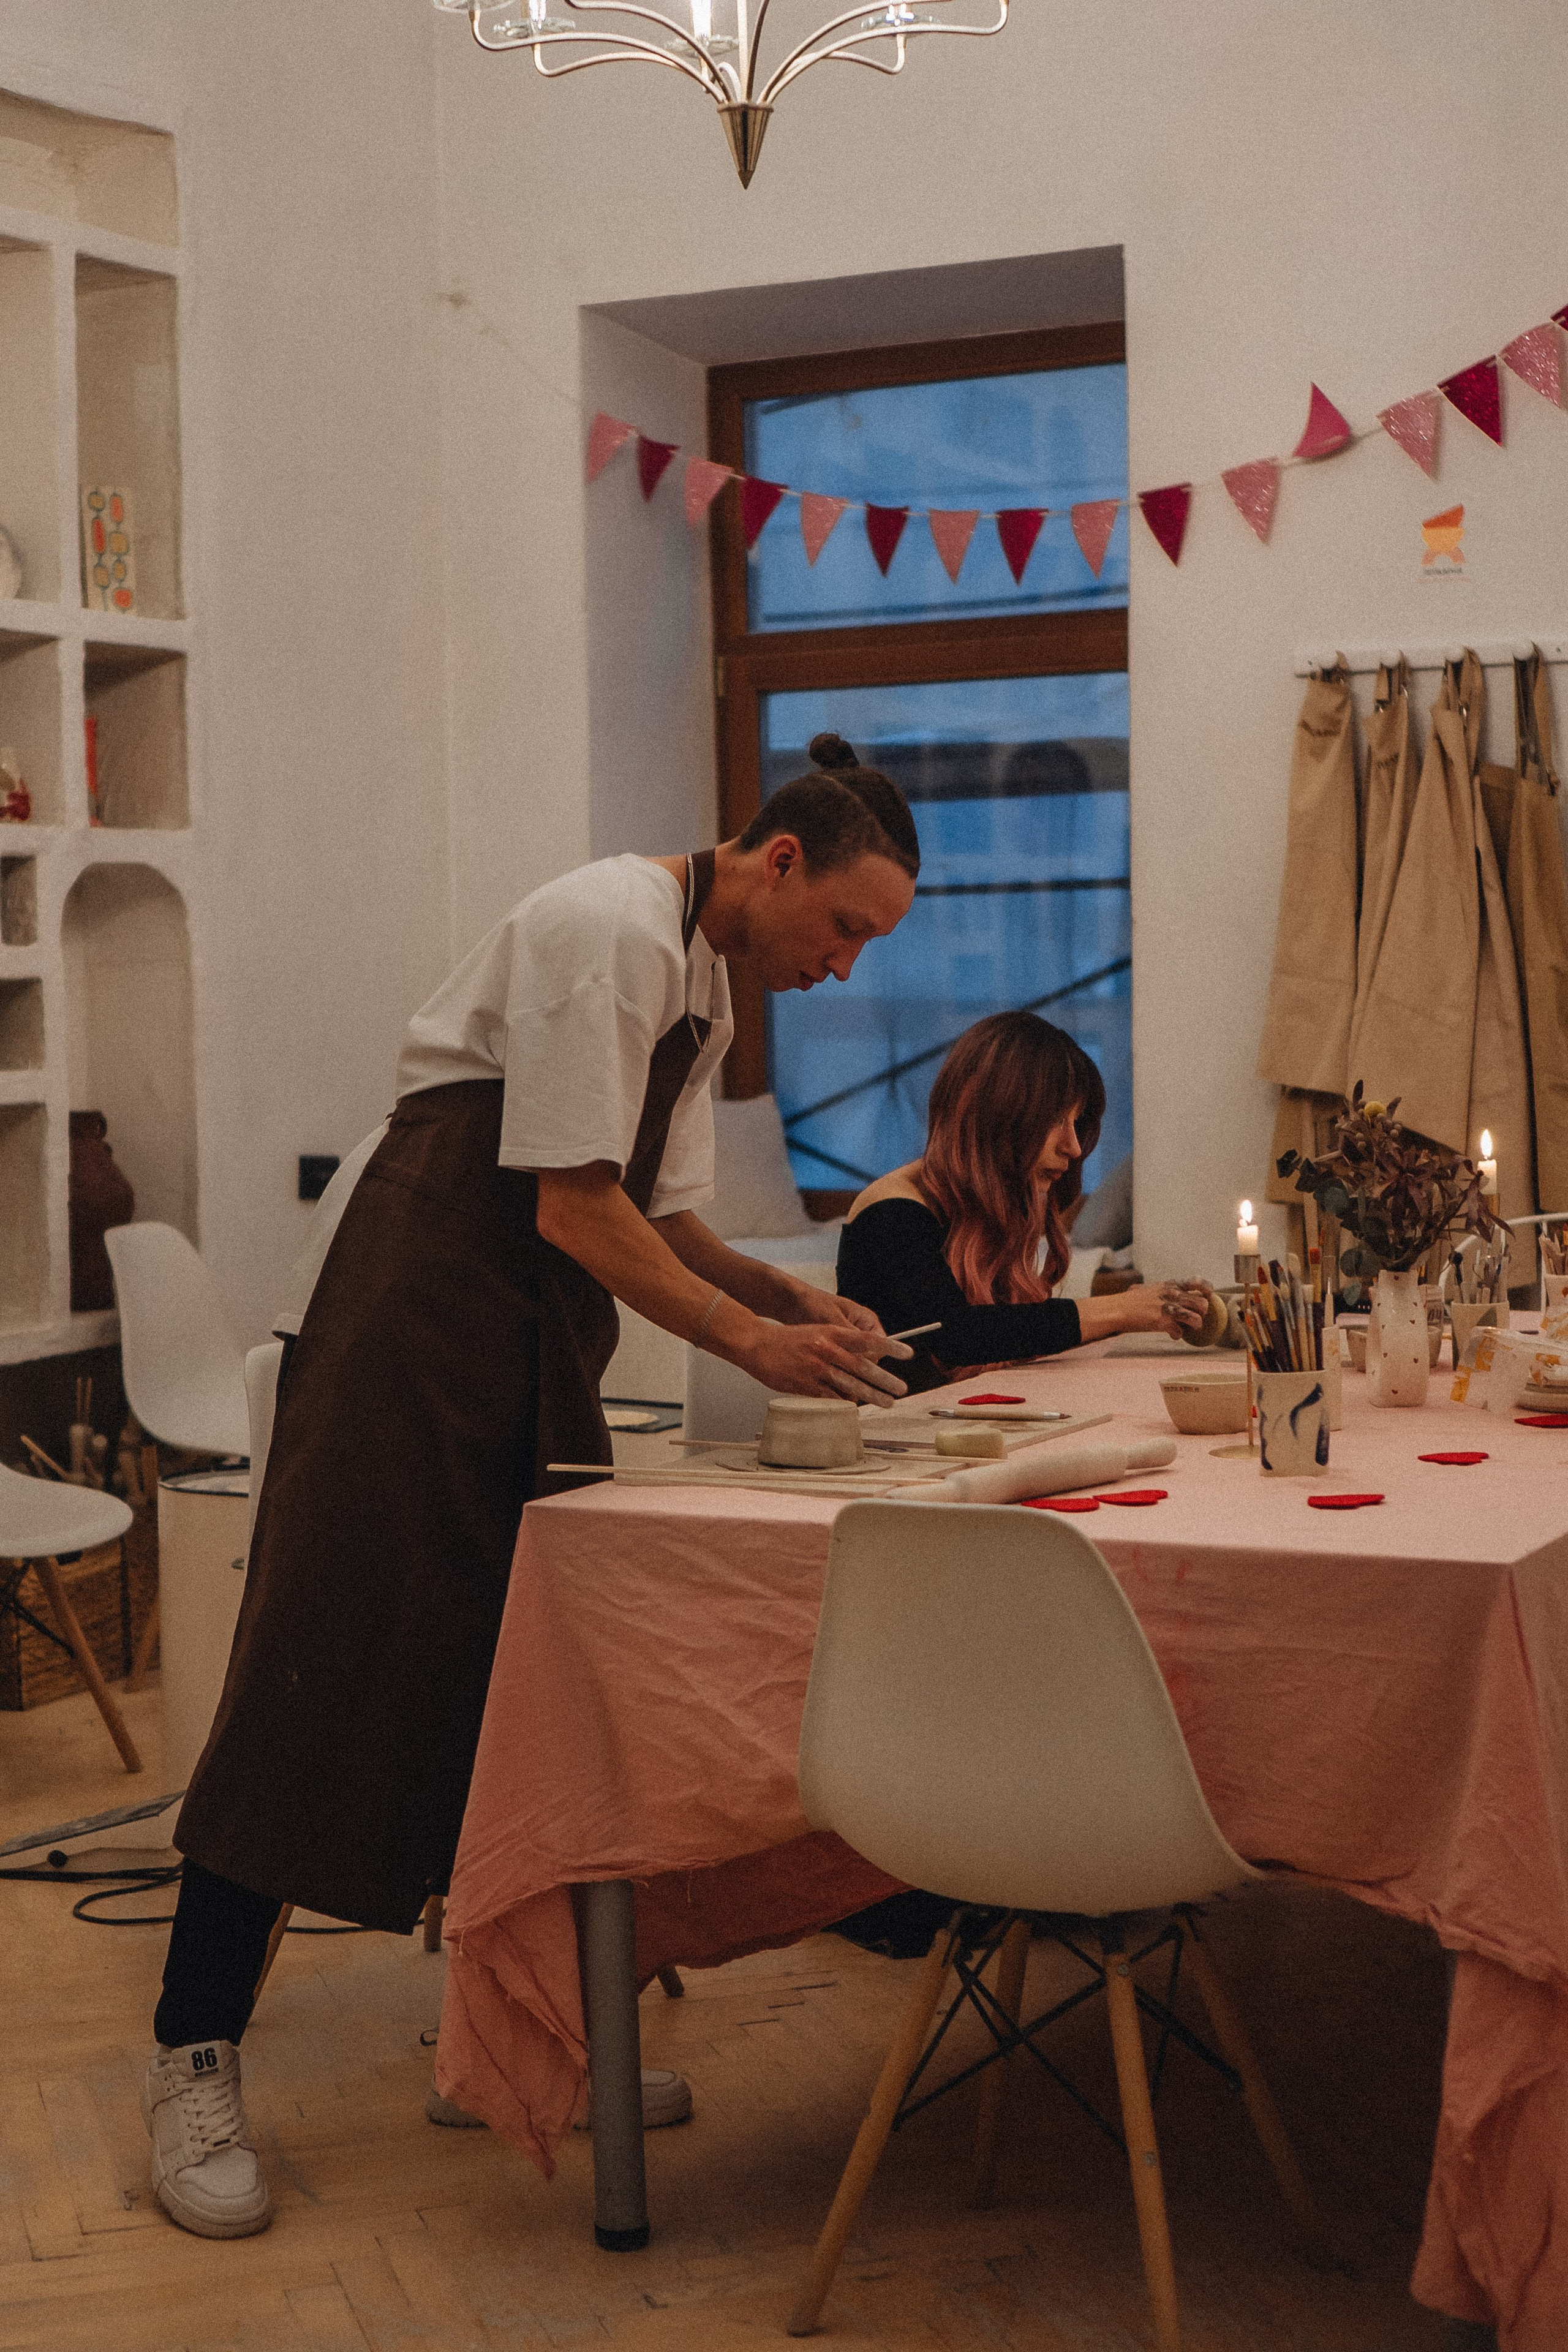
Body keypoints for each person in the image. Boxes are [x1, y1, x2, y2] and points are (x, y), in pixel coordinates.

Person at [141, 734, 921, 2240]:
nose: (840, 965)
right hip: (412, 1310)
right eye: (843, 927)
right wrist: (752, 1341)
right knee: (319, 1674)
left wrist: (791, 1301)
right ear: (778, 863)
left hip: (527, 1329)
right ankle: (190, 2050)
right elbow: (571, 1202)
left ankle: (491, 2035)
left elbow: (662, 1219)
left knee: (517, 1685)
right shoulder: (603, 927)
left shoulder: (701, 980)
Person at [835, 1011, 1211, 1391]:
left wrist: (1137, 1309)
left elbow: (1015, 1332)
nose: (1074, 1147)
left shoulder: (991, 1204)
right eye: (1055, 1121)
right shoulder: (892, 1209)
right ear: (998, 1114)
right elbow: (957, 1336)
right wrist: (1119, 1311)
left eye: (1076, 1122)